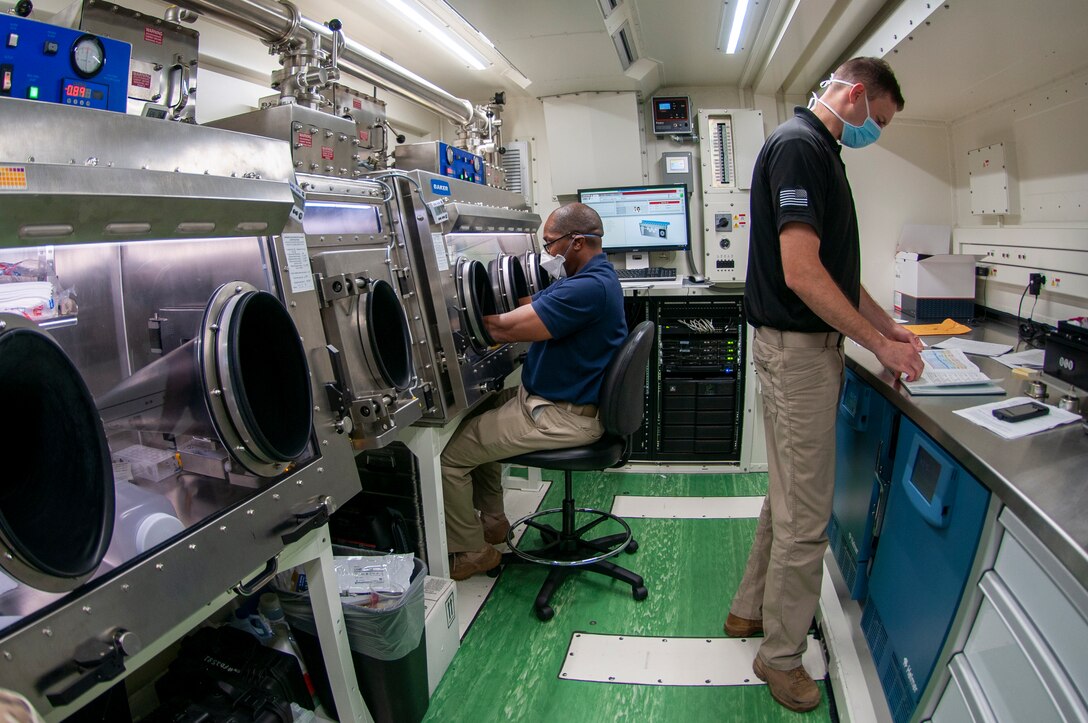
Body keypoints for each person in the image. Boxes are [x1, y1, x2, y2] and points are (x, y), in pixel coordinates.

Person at [725, 57, 925, 713]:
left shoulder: (819, 151)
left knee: (787, 497)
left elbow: (836, 277)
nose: (878, 131)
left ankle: (750, 610)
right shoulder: (801, 147)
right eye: (881, 118)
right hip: (799, 354)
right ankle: (780, 657)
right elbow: (804, 276)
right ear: (858, 93)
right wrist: (879, 344)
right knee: (806, 518)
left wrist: (888, 327)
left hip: (800, 351)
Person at [440, 203, 627, 581]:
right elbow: (535, 308)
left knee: (449, 459)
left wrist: (443, 312)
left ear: (576, 242)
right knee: (481, 414)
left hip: (562, 415)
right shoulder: (594, 277)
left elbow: (502, 330)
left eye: (550, 244)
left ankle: (472, 552)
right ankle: (492, 523)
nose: (548, 254)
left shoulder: (586, 288)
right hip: (560, 400)